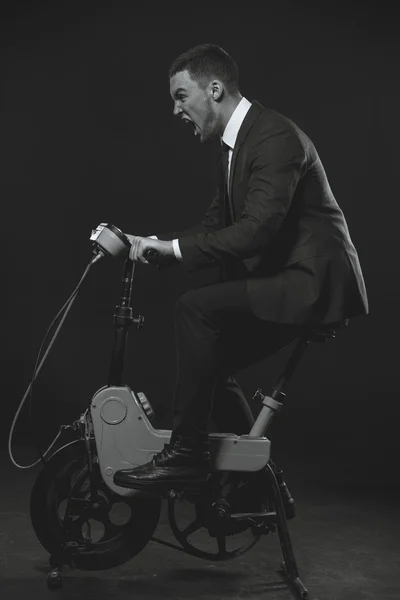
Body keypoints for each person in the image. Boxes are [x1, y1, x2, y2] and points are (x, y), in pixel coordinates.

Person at [113, 44, 369, 498]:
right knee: (208, 359)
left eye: (180, 96)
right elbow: (217, 226)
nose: (175, 109)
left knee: (195, 310)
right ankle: (260, 488)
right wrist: (153, 247)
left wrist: (173, 249)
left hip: (313, 283)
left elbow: (255, 233)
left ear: (214, 89)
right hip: (289, 276)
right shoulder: (235, 148)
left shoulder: (274, 138)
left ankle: (187, 454)